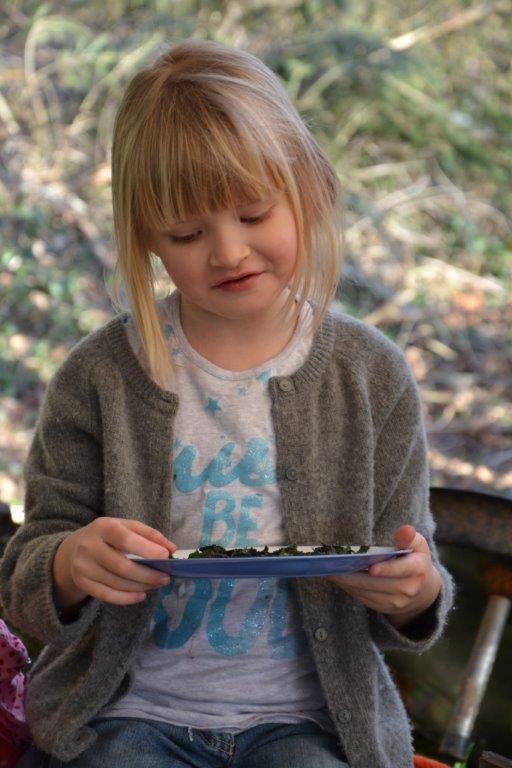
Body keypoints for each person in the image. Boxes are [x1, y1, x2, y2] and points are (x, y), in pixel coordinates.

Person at [0, 38, 453, 768]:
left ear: (309, 189)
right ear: (148, 237)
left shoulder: (371, 377)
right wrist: (70, 562)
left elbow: (411, 582)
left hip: (308, 724)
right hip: (125, 716)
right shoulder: (101, 376)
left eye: (253, 213)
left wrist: (414, 590)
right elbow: (25, 578)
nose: (229, 251)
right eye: (188, 232)